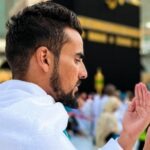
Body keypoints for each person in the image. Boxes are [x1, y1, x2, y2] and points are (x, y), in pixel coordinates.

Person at [0, 1, 150, 150]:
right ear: (45, 58)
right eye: (77, 59)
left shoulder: (12, 110)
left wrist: (128, 136)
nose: (84, 73)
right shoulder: (40, 130)